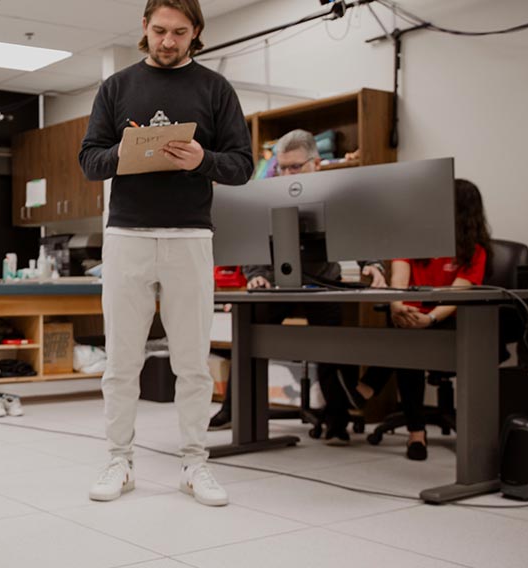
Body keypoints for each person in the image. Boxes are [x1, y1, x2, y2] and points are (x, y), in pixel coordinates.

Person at [79, 0, 253, 506]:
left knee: (193, 362)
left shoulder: (215, 89)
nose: (168, 41)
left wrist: (202, 159)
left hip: (192, 237)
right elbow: (90, 161)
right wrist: (126, 154)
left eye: (179, 32)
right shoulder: (116, 87)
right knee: (122, 361)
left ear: (196, 32)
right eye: (159, 31)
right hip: (128, 237)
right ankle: (120, 460)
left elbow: (241, 165)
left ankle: (195, 463)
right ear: (144, 28)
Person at [207, 129, 388, 444]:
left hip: (322, 284)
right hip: (278, 285)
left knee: (333, 343)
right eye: (283, 167)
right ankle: (232, 409)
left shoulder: (336, 195)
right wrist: (255, 275)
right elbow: (252, 239)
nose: (287, 174)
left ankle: (337, 419)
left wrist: (371, 263)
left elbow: (358, 233)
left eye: (295, 167)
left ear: (315, 164)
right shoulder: (268, 194)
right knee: (247, 330)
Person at [358, 179, 491, 460]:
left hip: (446, 319)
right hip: (408, 316)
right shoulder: (413, 238)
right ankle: (415, 432)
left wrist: (428, 319)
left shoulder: (474, 251)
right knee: (408, 335)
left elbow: (457, 295)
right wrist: (396, 305)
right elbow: (400, 280)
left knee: (410, 341)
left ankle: (369, 389)